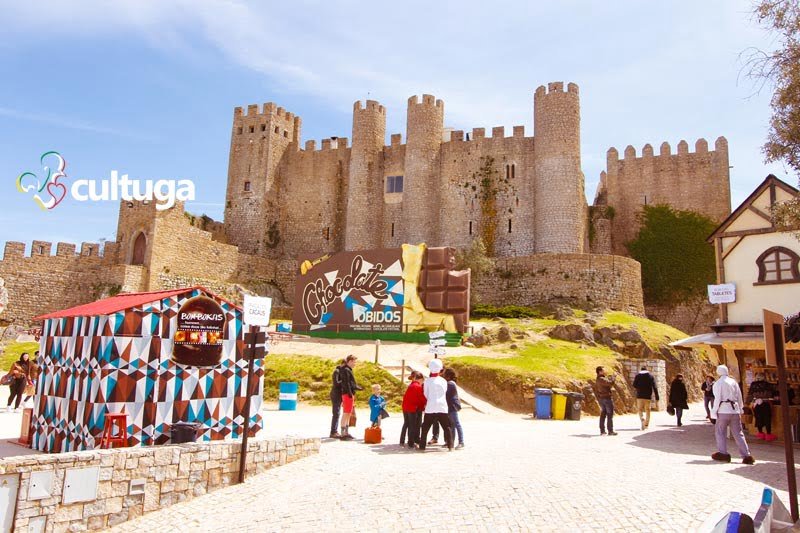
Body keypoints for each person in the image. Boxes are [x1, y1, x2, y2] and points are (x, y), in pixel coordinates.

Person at [711, 364, 755, 465]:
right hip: (734, 410)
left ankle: (723, 453)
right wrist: (740, 409)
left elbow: (717, 399)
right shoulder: (733, 382)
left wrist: (713, 413)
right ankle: (746, 455)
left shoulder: (718, 383)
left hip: (723, 410)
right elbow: (739, 397)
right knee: (738, 433)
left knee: (720, 432)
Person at [419, 359, 453, 451]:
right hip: (442, 406)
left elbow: (425, 394)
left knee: (425, 427)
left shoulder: (427, 381)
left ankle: (422, 446)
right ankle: (450, 445)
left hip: (431, 406)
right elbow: (445, 391)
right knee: (447, 427)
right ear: (440, 369)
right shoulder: (443, 381)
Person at [338, 355, 363, 440]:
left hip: (349, 393)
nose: (355, 364)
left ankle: (346, 432)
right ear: (350, 361)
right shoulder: (345, 370)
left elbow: (351, 383)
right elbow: (346, 383)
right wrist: (349, 393)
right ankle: (342, 434)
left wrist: (357, 387)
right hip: (347, 394)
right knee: (346, 413)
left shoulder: (348, 369)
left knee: (348, 413)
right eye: (354, 362)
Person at [747, 372, 776, 441]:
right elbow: (772, 394)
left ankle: (760, 433)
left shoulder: (753, 385)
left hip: (757, 404)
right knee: (767, 419)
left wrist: (747, 403)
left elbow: (750, 395)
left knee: (758, 418)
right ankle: (768, 434)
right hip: (766, 403)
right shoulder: (768, 385)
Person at [400, 371, 426, 448]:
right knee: (413, 425)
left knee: (406, 424)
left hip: (406, 407)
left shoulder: (411, 385)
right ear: (420, 379)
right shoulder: (418, 387)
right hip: (413, 408)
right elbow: (421, 398)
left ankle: (402, 440)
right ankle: (411, 442)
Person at [443, 368, 464, 449]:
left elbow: (446, 394)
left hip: (452, 406)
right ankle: (450, 441)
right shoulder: (450, 383)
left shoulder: (450, 384)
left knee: (456, 424)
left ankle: (461, 442)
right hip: (449, 406)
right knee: (451, 425)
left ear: (448, 376)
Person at [594, 366, 617, 436]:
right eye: (603, 370)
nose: (605, 371)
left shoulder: (599, 379)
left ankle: (602, 431)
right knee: (609, 415)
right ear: (600, 371)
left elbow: (607, 385)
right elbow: (610, 383)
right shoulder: (601, 379)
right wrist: (614, 377)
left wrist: (609, 378)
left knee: (603, 415)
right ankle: (610, 431)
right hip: (606, 398)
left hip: (602, 399)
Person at [329, 359, 346, 438]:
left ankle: (336, 431)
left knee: (339, 413)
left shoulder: (343, 372)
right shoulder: (337, 371)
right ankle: (333, 432)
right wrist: (344, 380)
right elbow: (336, 383)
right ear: (342, 364)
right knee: (336, 413)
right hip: (336, 394)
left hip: (341, 394)